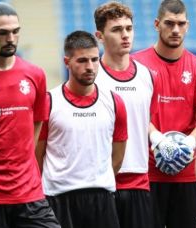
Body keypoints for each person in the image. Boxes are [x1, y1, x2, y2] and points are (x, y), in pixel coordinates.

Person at [132, 0, 196, 227]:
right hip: (147, 173)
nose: (175, 30)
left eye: (180, 24)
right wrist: (156, 138)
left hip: (187, 173)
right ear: (157, 24)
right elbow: (135, 114)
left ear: (187, 26)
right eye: (169, 23)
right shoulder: (137, 64)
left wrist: (189, 142)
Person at [35, 30, 127, 228]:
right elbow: (37, 156)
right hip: (58, 199)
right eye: (82, 61)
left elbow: (118, 157)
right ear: (67, 62)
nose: (90, 67)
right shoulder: (49, 102)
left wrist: (96, 179)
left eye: (95, 59)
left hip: (102, 200)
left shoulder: (114, 102)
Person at [0, 2, 60, 228]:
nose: (11, 38)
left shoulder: (35, 75)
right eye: (3, 33)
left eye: (16, 31)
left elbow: (36, 124)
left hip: (28, 191)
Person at [93, 2, 154, 228]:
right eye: (117, 30)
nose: (125, 35)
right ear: (99, 35)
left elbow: (148, 122)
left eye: (129, 28)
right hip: (101, 184)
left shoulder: (147, 76)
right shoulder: (92, 78)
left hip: (140, 182)